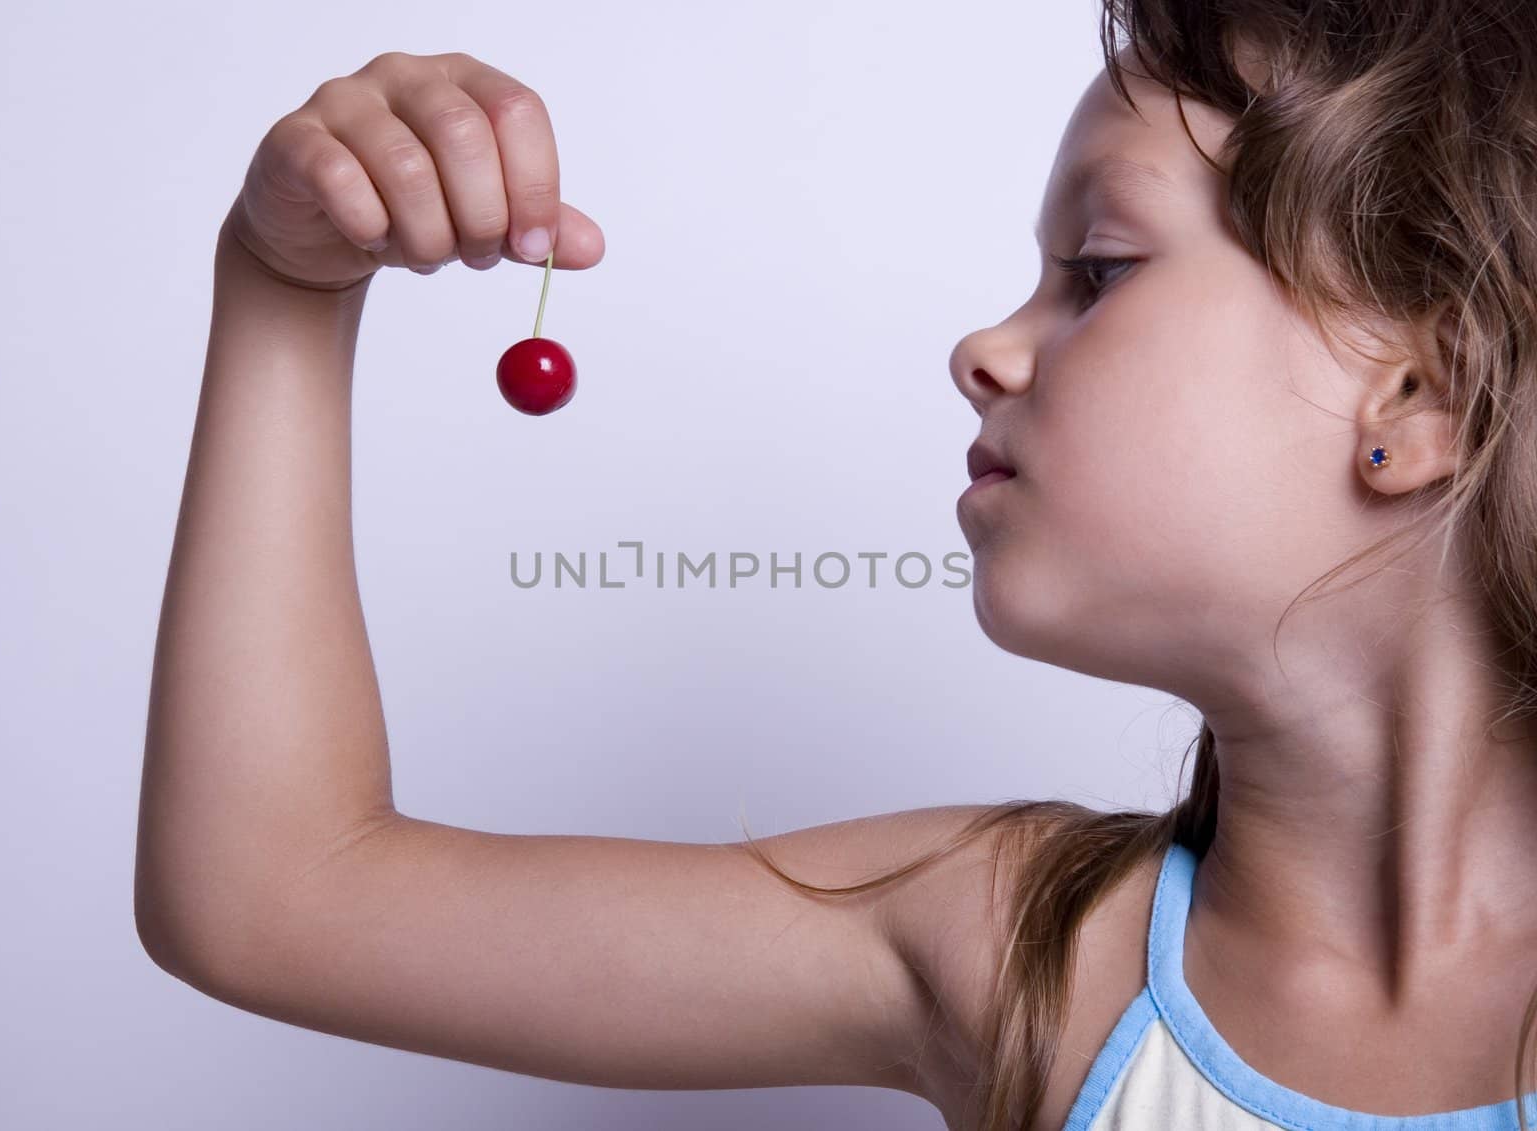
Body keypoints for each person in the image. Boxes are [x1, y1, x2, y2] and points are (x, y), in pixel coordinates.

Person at [132, 3, 1537, 1129]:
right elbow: (273, 895)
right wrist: (284, 288)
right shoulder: (1021, 953)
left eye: (1098, 269)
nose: (981, 349)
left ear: (1419, 396)